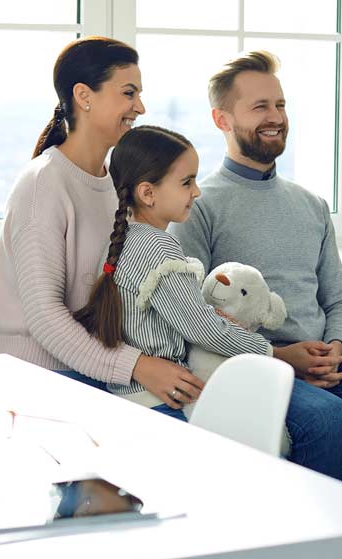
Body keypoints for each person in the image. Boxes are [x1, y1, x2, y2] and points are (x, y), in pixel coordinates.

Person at [170, 50, 342, 516]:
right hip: (255, 367)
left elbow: (339, 296)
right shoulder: (199, 205)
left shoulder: (311, 204)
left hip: (328, 364)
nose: (275, 118)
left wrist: (337, 346)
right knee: (328, 419)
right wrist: (281, 356)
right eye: (259, 107)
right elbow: (193, 316)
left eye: (280, 106)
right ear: (222, 118)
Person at [0, 37, 205, 403]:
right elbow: (45, 318)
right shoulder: (43, 184)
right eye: (128, 93)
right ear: (84, 96)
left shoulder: (113, 183)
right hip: (41, 382)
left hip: (97, 373)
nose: (140, 107)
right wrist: (138, 366)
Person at [72, 125, 274, 420]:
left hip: (129, 396)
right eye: (186, 182)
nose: (197, 191)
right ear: (148, 193)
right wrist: (271, 352)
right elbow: (203, 330)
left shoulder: (127, 239)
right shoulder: (158, 246)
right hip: (160, 401)